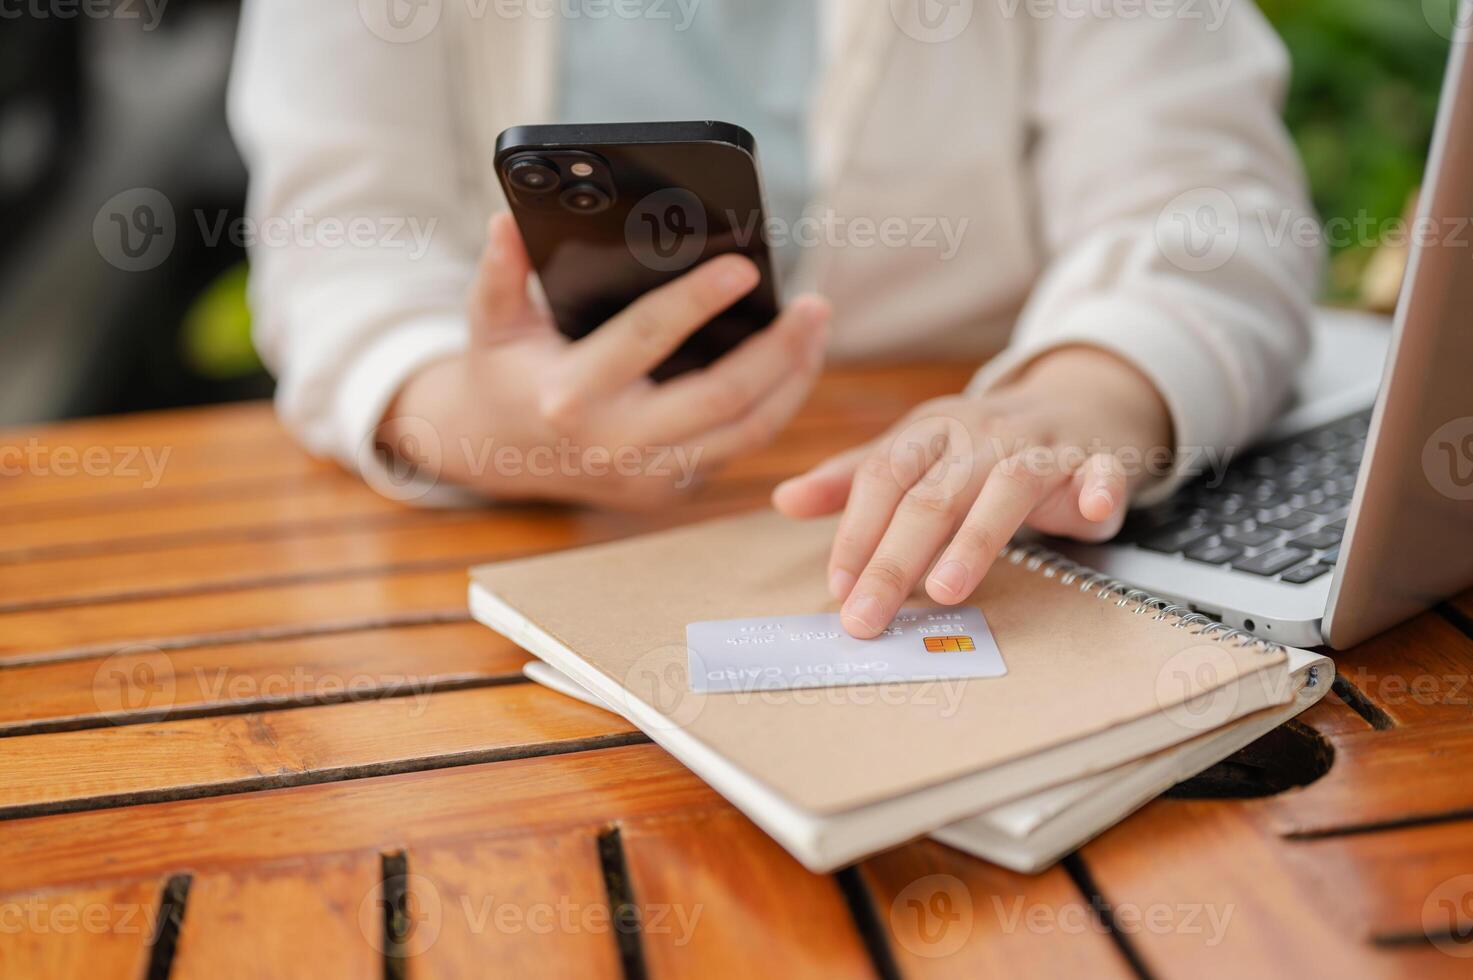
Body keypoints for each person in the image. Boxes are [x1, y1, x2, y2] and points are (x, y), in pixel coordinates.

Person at [229, 1, 1319, 638]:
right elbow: (338, 245)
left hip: (993, 522)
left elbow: (1211, 205)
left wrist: (1076, 395)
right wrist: (464, 409)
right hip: (520, 546)